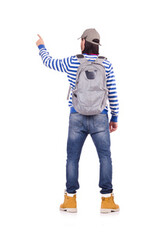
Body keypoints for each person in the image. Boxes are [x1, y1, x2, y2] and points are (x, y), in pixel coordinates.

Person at [36, 28, 120, 213]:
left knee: (72, 158)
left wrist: (41, 46)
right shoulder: (107, 65)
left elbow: (48, 62)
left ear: (83, 42)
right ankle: (107, 200)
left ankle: (71, 200)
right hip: (100, 116)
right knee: (105, 157)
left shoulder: (72, 61)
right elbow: (112, 93)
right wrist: (114, 117)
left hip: (76, 116)